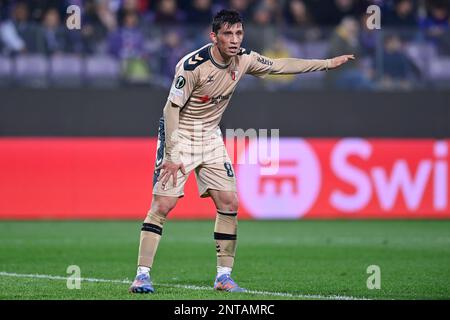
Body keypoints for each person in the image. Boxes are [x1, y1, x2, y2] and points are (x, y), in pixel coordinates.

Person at [129, 9, 354, 294]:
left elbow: (279, 65)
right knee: (163, 206)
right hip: (180, 135)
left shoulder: (245, 59)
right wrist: (172, 154)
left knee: (229, 202)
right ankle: (142, 275)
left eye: (239, 33)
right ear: (214, 37)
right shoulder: (192, 65)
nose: (235, 40)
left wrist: (326, 63)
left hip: (210, 136)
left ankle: (223, 276)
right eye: (228, 34)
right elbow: (170, 109)